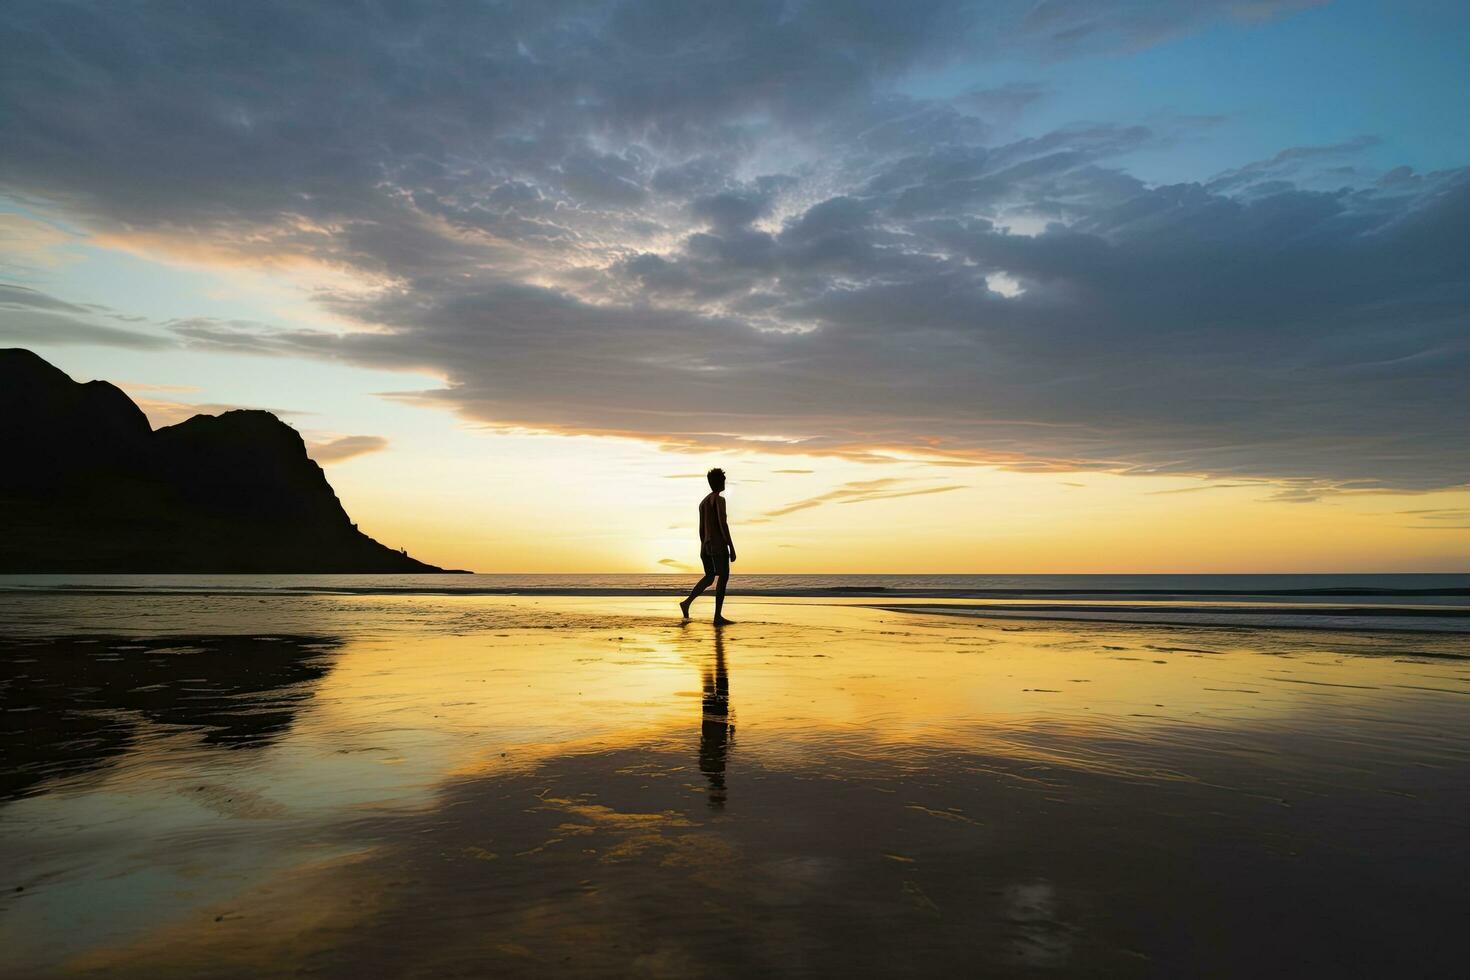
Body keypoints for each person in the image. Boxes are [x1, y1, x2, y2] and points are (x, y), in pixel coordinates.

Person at [680, 467, 735, 624]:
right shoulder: (718, 500)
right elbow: (722, 524)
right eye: (723, 480)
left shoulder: (703, 503)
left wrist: (704, 546)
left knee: (710, 577)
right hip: (718, 545)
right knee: (723, 577)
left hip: (705, 546)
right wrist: (731, 546)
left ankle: (687, 602)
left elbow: (701, 529)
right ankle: (717, 616)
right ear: (718, 482)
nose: (725, 482)